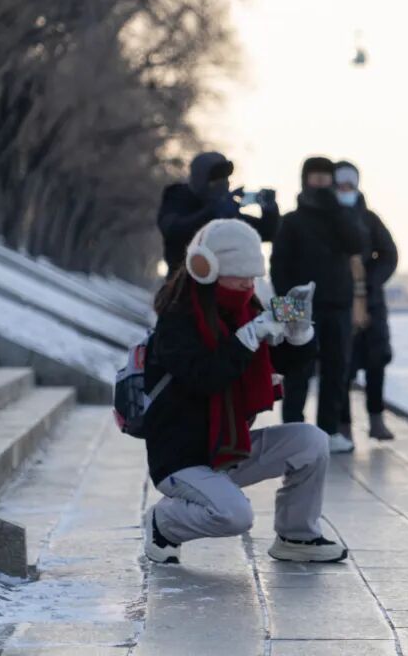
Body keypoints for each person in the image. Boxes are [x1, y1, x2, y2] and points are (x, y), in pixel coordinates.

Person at [141, 218, 347, 565]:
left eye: (253, 276)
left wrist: (299, 335)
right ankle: (163, 522)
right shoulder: (176, 321)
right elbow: (205, 377)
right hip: (182, 459)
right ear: (206, 269)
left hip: (228, 447)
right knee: (235, 516)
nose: (248, 284)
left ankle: (297, 536)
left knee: (311, 441)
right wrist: (248, 337)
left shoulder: (244, 309)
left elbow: (276, 361)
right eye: (239, 275)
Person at [270, 157, 366, 453]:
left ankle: (328, 430)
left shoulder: (342, 216)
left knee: (336, 370)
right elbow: (279, 266)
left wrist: (336, 209)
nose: (322, 182)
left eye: (327, 176)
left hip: (338, 304)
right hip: (300, 307)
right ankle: (292, 433)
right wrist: (286, 309)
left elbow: (357, 243)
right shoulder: (292, 221)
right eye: (316, 176)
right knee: (298, 371)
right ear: (305, 179)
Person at [333, 161, 399, 440]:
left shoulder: (370, 219)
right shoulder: (327, 219)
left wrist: (368, 279)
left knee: (376, 362)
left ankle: (376, 419)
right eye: (341, 185)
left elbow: (389, 255)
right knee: (341, 367)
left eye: (350, 185)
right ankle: (343, 425)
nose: (345, 190)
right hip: (338, 302)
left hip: (370, 304)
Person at [157, 151, 280, 275]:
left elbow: (265, 233)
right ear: (201, 180)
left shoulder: (224, 208)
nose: (224, 184)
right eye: (216, 181)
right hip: (183, 282)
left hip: (222, 285)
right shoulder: (178, 198)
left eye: (225, 179)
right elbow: (172, 230)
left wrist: (270, 209)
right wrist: (212, 211)